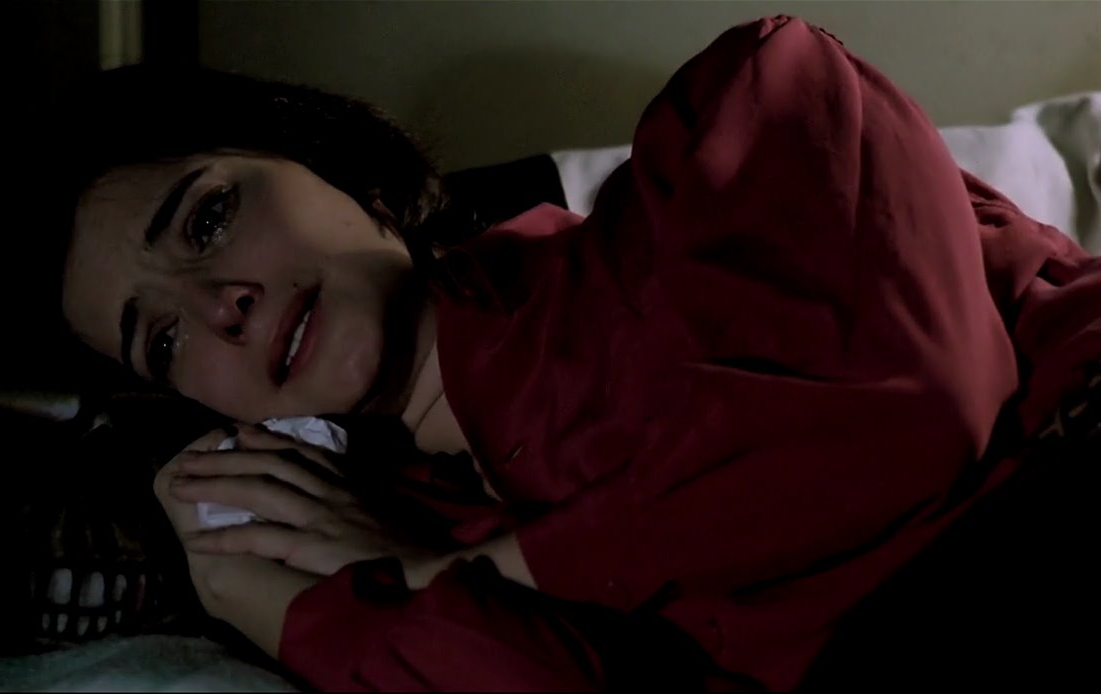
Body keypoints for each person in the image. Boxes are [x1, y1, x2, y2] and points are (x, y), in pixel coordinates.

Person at [55, 16, 1100, 691]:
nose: (218, 309)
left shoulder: (730, 129)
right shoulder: (398, 544)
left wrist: (470, 569)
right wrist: (274, 602)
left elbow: (905, 416)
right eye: (163, 339)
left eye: (207, 219)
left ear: (325, 159)